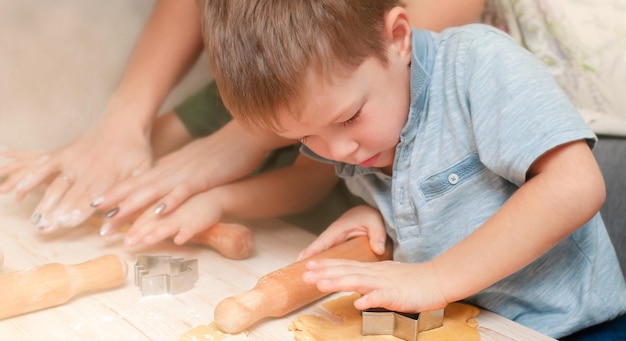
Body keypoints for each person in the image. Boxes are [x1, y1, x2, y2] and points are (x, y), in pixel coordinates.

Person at [198, 0, 626, 341]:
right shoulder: (365, 128)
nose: (339, 150)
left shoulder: (477, 62)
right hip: (467, 336)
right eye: (305, 137)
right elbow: (439, 204)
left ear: (398, 38)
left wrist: (435, 279)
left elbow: (574, 185)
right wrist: (377, 217)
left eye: (348, 118)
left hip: (576, 338)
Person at [0, 0, 485, 240]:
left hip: (355, 51)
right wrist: (121, 124)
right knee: (139, 168)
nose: (336, 150)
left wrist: (249, 135)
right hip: (295, 60)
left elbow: (316, 169)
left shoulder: (431, 69)